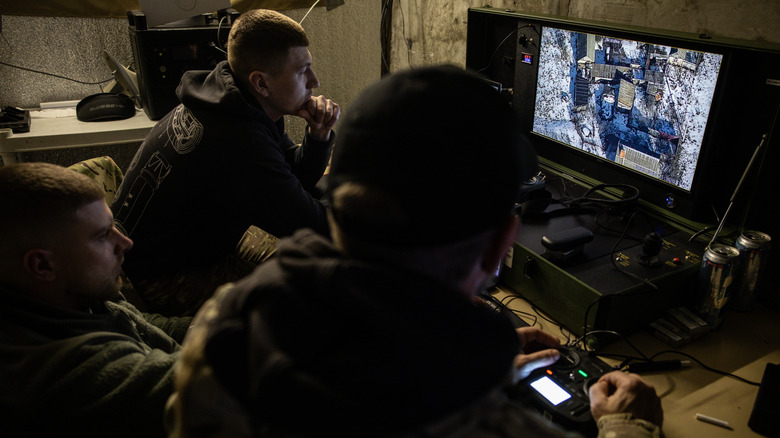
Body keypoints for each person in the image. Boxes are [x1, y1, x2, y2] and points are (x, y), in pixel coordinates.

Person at [165, 65, 663, 437]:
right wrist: (627, 426)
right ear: (499, 246)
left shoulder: (227, 321)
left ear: (337, 204)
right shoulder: (489, 426)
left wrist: (467, 363)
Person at [111, 9, 340, 316]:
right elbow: (314, 225)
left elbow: (294, 176)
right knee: (316, 291)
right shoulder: (236, 139)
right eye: (302, 72)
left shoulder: (232, 99)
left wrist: (319, 135)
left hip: (186, 246)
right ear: (261, 83)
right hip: (163, 277)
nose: (315, 81)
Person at [0, 162, 191, 438]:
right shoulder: (59, 372)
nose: (125, 243)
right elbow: (207, 389)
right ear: (42, 265)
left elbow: (142, 324)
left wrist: (203, 326)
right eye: (102, 235)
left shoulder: (73, 291)